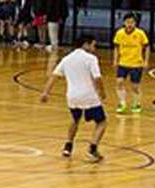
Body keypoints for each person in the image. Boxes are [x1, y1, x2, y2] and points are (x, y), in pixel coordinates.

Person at [40, 33, 108, 161]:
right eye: (93, 45)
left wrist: (45, 93)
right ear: (86, 44)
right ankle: (92, 149)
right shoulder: (91, 59)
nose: (95, 48)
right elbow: (97, 78)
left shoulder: (66, 59)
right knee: (102, 122)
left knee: (75, 119)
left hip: (72, 97)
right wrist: (102, 92)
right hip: (89, 96)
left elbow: (54, 76)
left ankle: (68, 146)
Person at [112, 13, 151, 113]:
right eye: (128, 22)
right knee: (119, 82)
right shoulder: (119, 33)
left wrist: (146, 61)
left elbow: (147, 47)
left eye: (132, 22)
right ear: (124, 23)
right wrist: (115, 60)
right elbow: (116, 48)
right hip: (123, 63)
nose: (130, 24)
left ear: (135, 23)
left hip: (136, 64)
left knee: (135, 86)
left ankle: (136, 103)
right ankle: (122, 103)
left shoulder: (140, 33)